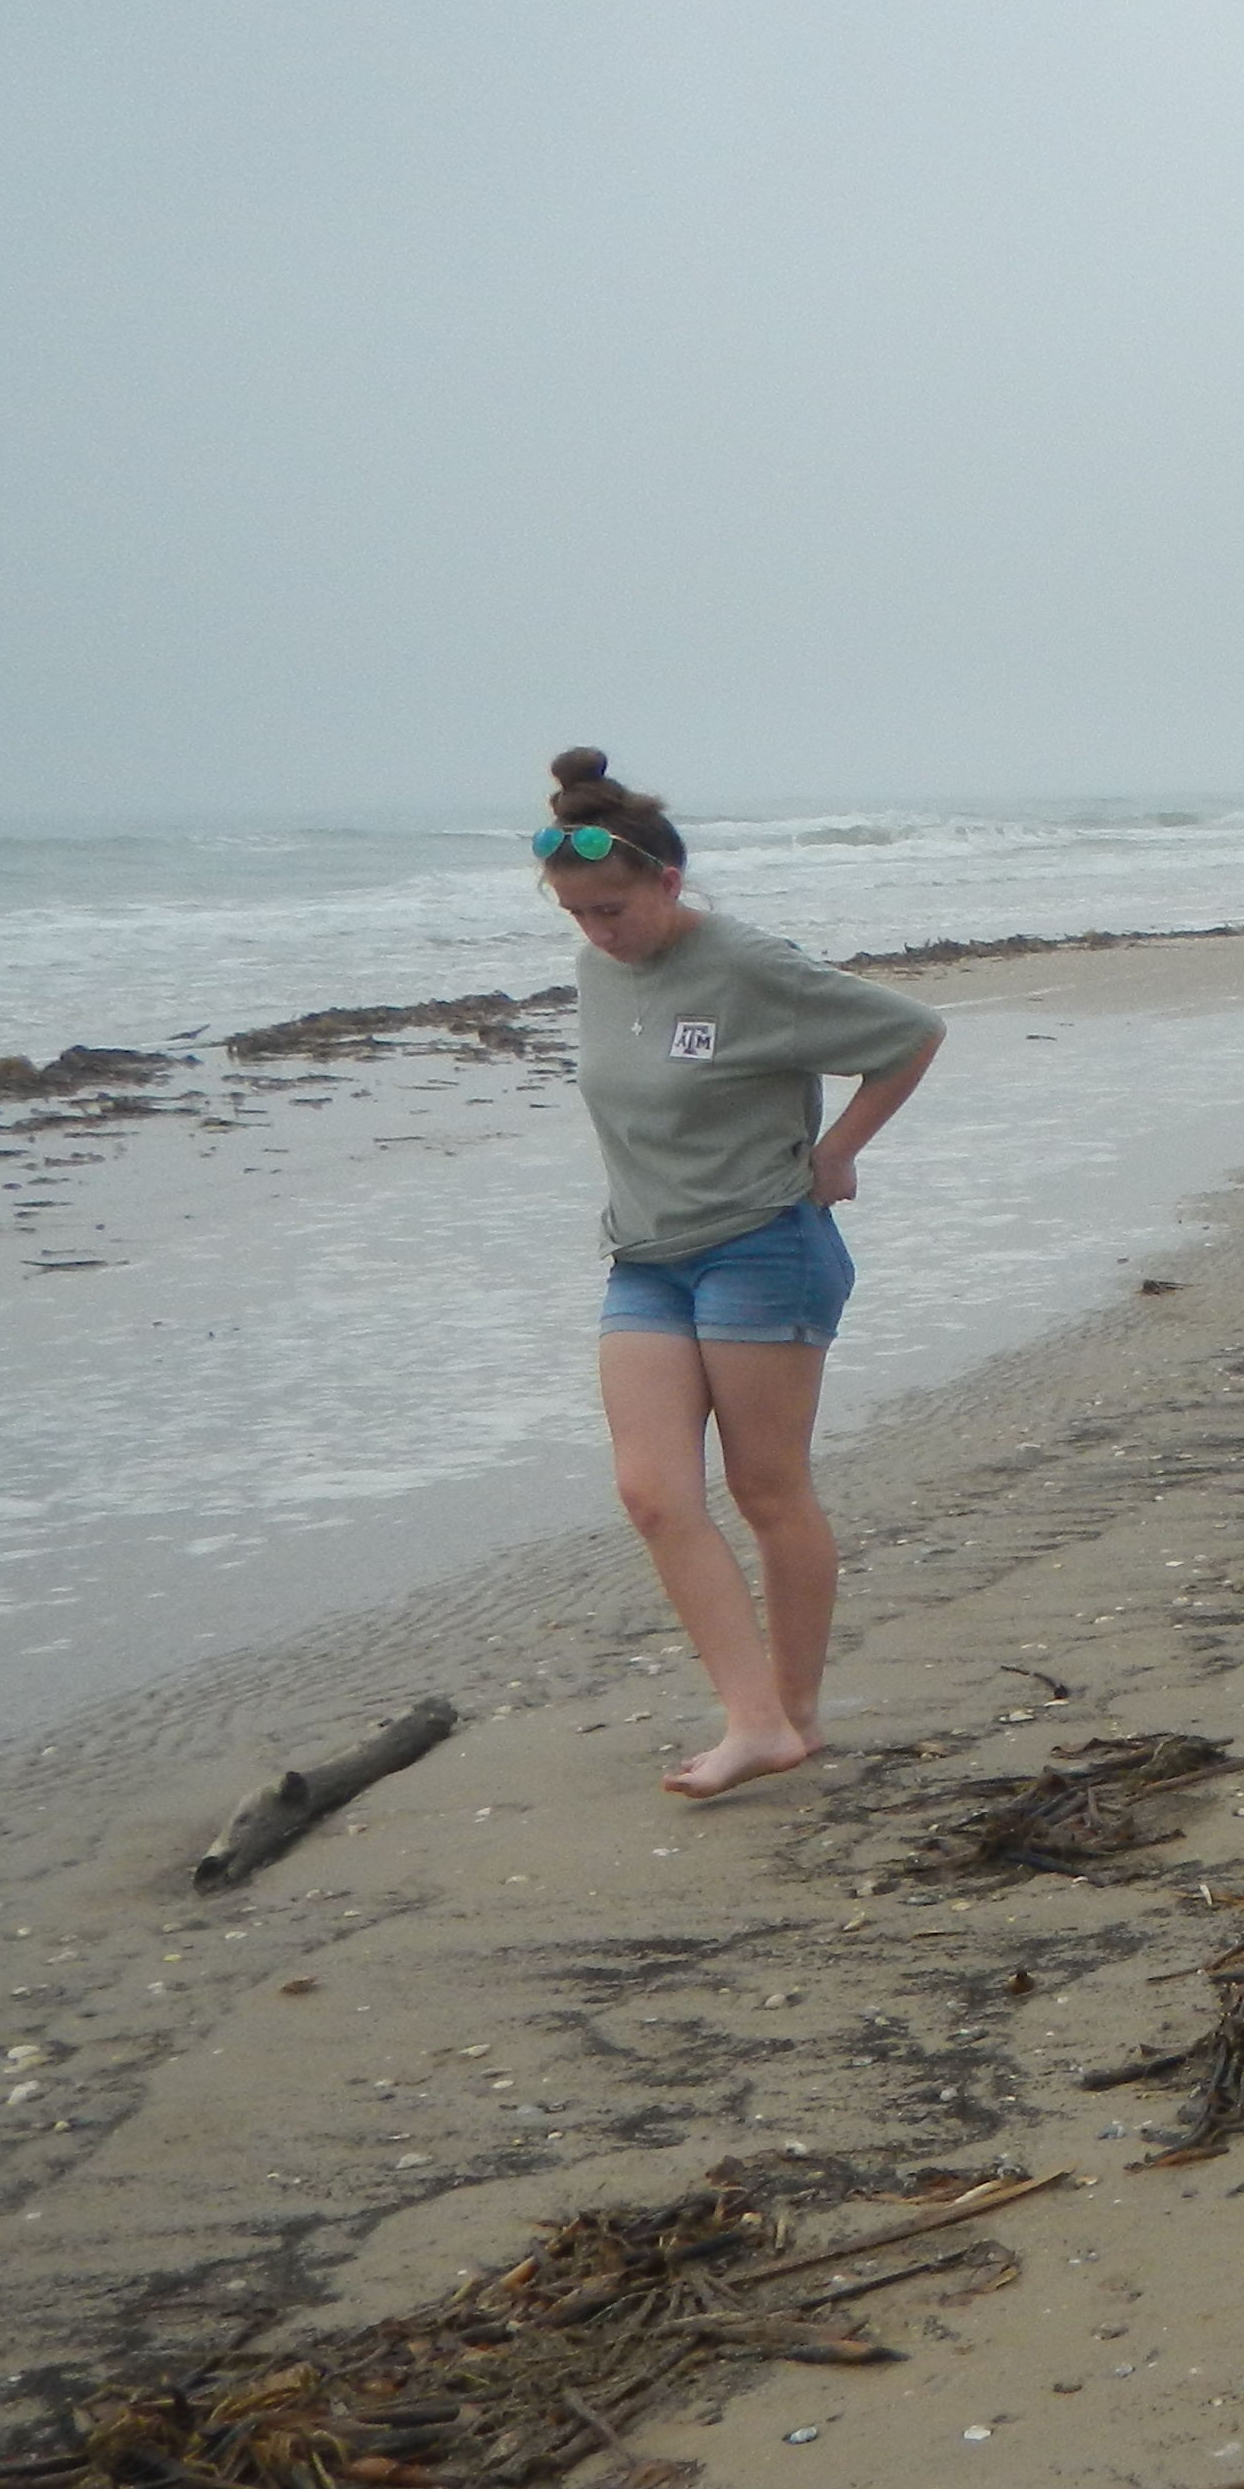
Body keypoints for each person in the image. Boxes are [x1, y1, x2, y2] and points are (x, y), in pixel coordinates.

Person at [536, 745, 942, 1798]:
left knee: (767, 1487)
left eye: (613, 909)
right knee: (652, 1494)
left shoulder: (751, 964)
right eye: (577, 913)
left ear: (667, 883)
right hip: (645, 1257)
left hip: (765, 1243)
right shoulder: (594, 972)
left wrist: (840, 1150)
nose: (597, 931)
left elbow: (906, 1034)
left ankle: (790, 1715)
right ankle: (753, 1719)